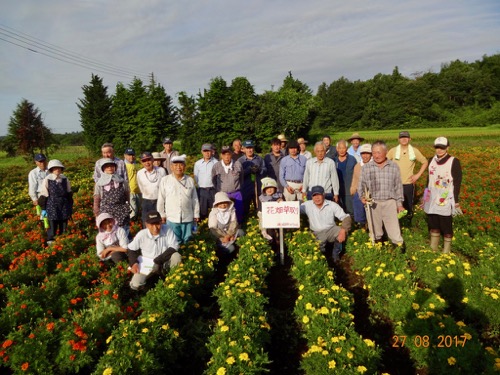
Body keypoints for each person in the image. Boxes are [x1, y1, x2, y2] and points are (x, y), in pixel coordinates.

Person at [358, 141, 405, 249]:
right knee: (375, 231)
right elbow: (361, 185)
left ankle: (399, 255)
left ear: (386, 152)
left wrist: (399, 204)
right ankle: (378, 254)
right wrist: (362, 197)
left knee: (394, 231)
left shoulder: (393, 167)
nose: (376, 155)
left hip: (390, 202)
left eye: (379, 152)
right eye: (374, 153)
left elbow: (398, 187)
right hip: (373, 203)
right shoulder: (366, 168)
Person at [422, 137, 462, 254]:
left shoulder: (454, 161)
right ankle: (433, 247)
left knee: (445, 222)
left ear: (447, 148)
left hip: (446, 196)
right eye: (437, 147)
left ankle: (446, 250)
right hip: (432, 196)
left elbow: (457, 182)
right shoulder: (431, 160)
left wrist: (456, 200)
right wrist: (425, 197)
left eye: (442, 148)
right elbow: (428, 180)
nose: (439, 150)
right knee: (433, 221)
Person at [127, 211, 181, 291]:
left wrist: (158, 260)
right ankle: (146, 288)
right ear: (147, 225)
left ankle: (172, 278)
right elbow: (131, 249)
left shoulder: (167, 229)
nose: (155, 228)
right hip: (147, 265)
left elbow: (175, 246)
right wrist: (134, 264)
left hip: (163, 261)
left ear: (161, 222)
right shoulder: (142, 234)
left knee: (176, 256)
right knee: (135, 284)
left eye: (157, 224)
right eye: (152, 225)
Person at [300, 186, 351, 262]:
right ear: (312, 197)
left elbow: (346, 217)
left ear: (324, 195)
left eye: (319, 195)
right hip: (316, 233)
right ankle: (323, 258)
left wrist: (343, 231)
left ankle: (335, 255)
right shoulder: (307, 205)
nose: (317, 198)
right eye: (314, 195)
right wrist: (280, 201)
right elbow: (294, 208)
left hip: (331, 230)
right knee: (320, 251)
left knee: (340, 231)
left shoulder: (332, 205)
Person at [387, 131, 429, 225]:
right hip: (394, 184)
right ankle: (396, 225)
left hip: (408, 183)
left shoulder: (414, 151)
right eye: (402, 137)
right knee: (395, 205)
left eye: (406, 137)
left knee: (408, 206)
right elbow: (385, 162)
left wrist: (418, 175)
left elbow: (425, 162)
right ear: (398, 139)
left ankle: (408, 225)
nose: (404, 139)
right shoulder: (393, 151)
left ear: (410, 139)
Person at [157, 154, 200, 244]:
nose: (178, 167)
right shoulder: (165, 180)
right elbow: (161, 199)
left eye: (181, 165)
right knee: (174, 242)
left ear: (184, 166)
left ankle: (188, 257)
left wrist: (196, 214)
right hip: (172, 218)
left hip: (187, 217)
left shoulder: (189, 180)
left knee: (188, 241)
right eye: (175, 165)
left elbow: (194, 199)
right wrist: (162, 214)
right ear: (171, 167)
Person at [38, 159, 73, 244]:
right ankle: (51, 240)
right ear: (51, 170)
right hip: (52, 204)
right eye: (55, 168)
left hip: (63, 204)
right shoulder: (48, 179)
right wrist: (43, 208)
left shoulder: (65, 179)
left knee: (63, 222)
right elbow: (44, 194)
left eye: (59, 168)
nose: (57, 170)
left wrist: (70, 205)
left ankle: (63, 239)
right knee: (52, 223)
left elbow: (69, 192)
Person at [93, 158, 131, 235]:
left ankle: (123, 246)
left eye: (111, 166)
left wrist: (128, 205)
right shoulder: (99, 183)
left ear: (115, 168)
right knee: (109, 231)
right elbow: (97, 197)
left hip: (121, 209)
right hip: (106, 210)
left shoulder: (122, 181)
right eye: (107, 166)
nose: (110, 168)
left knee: (122, 232)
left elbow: (127, 194)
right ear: (103, 169)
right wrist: (96, 210)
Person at [212, 146, 244, 223]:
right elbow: (213, 180)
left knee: (238, 212)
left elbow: (241, 178)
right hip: (223, 194)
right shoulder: (216, 166)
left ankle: (238, 227)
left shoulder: (237, 164)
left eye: (228, 154)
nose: (226, 156)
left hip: (236, 193)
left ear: (231, 154)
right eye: (224, 154)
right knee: (224, 214)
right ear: (221, 155)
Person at [136, 152, 167, 227]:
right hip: (146, 201)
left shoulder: (161, 171)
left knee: (160, 223)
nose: (147, 162)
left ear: (153, 159)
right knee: (146, 223)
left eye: (148, 160)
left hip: (159, 201)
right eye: (144, 161)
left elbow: (165, 186)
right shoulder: (140, 173)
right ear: (141, 162)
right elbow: (141, 187)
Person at [238, 140, 266, 219]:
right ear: (244, 149)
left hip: (257, 186)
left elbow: (265, 169)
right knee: (245, 208)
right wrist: (248, 170)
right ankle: (245, 225)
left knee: (259, 208)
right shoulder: (240, 161)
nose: (250, 150)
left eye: (251, 148)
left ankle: (260, 224)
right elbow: (238, 173)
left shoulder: (259, 159)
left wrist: (259, 169)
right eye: (247, 148)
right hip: (245, 187)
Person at [350, 144, 372, 228]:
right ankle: (362, 224)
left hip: (372, 191)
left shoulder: (374, 164)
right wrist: (352, 189)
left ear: (371, 154)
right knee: (357, 200)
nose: (365, 156)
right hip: (360, 191)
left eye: (367, 153)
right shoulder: (358, 166)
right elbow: (355, 179)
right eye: (363, 153)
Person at [194, 143, 217, 219]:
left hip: (213, 190)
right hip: (202, 190)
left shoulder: (216, 163)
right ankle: (203, 229)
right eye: (205, 151)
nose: (207, 153)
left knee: (215, 210)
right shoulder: (197, 164)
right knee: (202, 211)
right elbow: (196, 177)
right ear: (202, 152)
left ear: (212, 151)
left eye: (209, 151)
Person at [334, 140, 358, 215]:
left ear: (347, 148)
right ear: (337, 149)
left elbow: (356, 174)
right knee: (339, 211)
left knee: (350, 210)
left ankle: (353, 225)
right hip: (337, 190)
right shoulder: (333, 160)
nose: (341, 150)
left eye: (343, 148)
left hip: (349, 189)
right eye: (339, 148)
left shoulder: (352, 159)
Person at [124, 148, 141, 220]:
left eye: (133, 155)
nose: (131, 157)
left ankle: (136, 227)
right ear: (125, 155)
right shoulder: (123, 166)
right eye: (129, 155)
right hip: (130, 192)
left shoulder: (136, 165)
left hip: (138, 191)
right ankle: (131, 228)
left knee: (138, 211)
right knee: (132, 213)